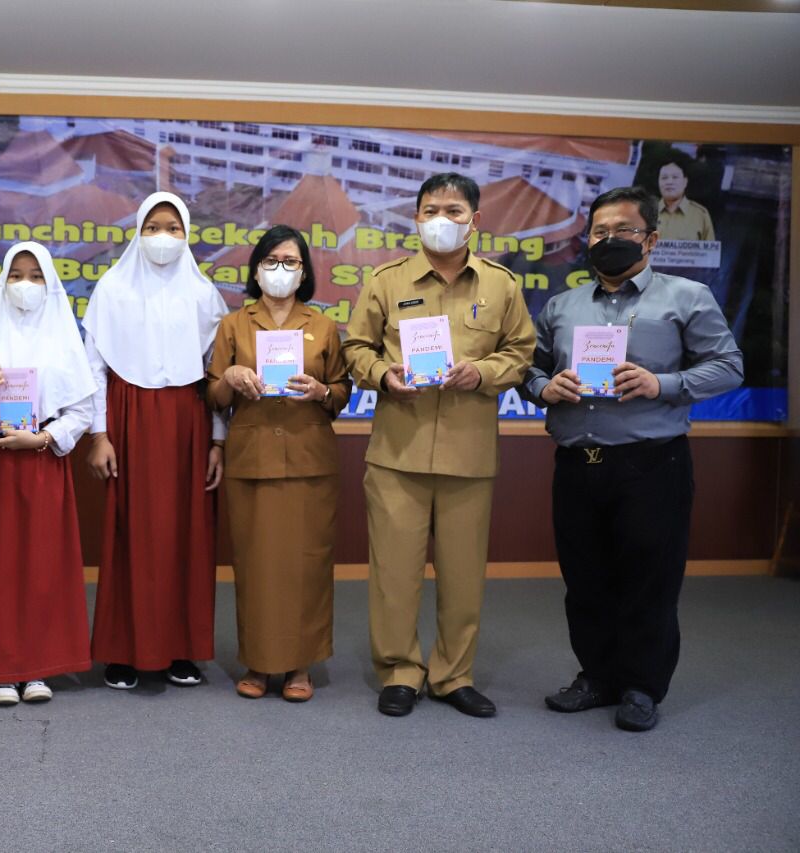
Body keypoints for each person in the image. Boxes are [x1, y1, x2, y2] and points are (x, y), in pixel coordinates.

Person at [520, 186, 742, 732]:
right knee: (586, 579)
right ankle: (596, 676)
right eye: (600, 231)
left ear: (651, 238)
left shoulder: (686, 297)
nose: (610, 240)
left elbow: (729, 366)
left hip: (652, 463)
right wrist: (545, 388)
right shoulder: (561, 306)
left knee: (650, 579)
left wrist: (662, 382)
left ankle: (642, 686)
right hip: (578, 464)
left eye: (623, 230)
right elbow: (528, 371)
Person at [342, 172, 535, 719]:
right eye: (430, 209)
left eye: (453, 210)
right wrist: (382, 373)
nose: (440, 220)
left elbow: (522, 353)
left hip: (468, 455)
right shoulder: (385, 280)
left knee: (463, 577)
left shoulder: (501, 285)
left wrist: (482, 372)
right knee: (394, 575)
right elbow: (355, 347)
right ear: (416, 217)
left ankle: (453, 675)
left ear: (475, 219)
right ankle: (400, 671)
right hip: (396, 454)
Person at [83, 191, 228, 689]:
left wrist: (218, 441)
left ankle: (180, 647)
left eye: (173, 227)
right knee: (130, 531)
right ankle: (123, 650)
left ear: (186, 235)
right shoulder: (112, 289)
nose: (162, 237)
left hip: (187, 422)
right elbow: (94, 368)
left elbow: (216, 376)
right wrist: (98, 434)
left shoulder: (204, 295)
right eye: (152, 226)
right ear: (137, 232)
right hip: (127, 419)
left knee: (185, 533)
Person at [0, 242, 95, 705]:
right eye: (16, 274)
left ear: (49, 283)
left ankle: (37, 668)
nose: (25, 285)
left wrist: (44, 439)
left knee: (41, 563)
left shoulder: (65, 334)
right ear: (2, 281)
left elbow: (82, 410)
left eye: (35, 276)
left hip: (42, 460)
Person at [206, 225, 351, 702]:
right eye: (271, 261)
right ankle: (258, 662)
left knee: (306, 565)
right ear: (256, 269)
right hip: (252, 459)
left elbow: (342, 393)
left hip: (309, 459)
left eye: (290, 262)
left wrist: (322, 391)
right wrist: (229, 374)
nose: (280, 270)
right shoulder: (234, 324)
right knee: (256, 565)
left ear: (304, 270)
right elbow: (213, 395)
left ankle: (300, 666)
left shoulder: (324, 325)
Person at [656, 159, 715, 241]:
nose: (669, 182)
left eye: (675, 177)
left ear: (685, 182)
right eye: (664, 178)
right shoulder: (647, 212)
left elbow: (710, 252)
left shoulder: (700, 215)